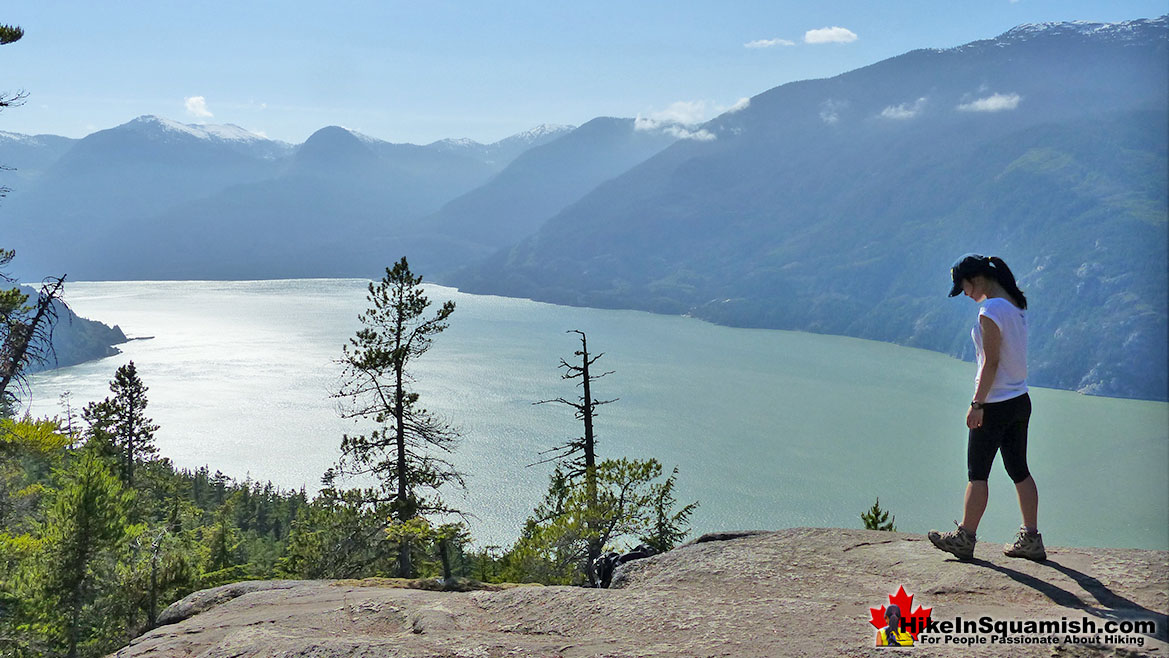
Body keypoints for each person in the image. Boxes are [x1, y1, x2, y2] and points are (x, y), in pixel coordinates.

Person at [928, 254, 1046, 562]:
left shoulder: (990, 310)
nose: (965, 294)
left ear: (977, 279)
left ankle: (965, 538)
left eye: (964, 287)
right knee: (1019, 470)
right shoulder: (1016, 307)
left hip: (994, 404)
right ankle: (1031, 538)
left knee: (977, 473)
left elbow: (991, 362)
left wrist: (977, 403)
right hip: (1020, 400)